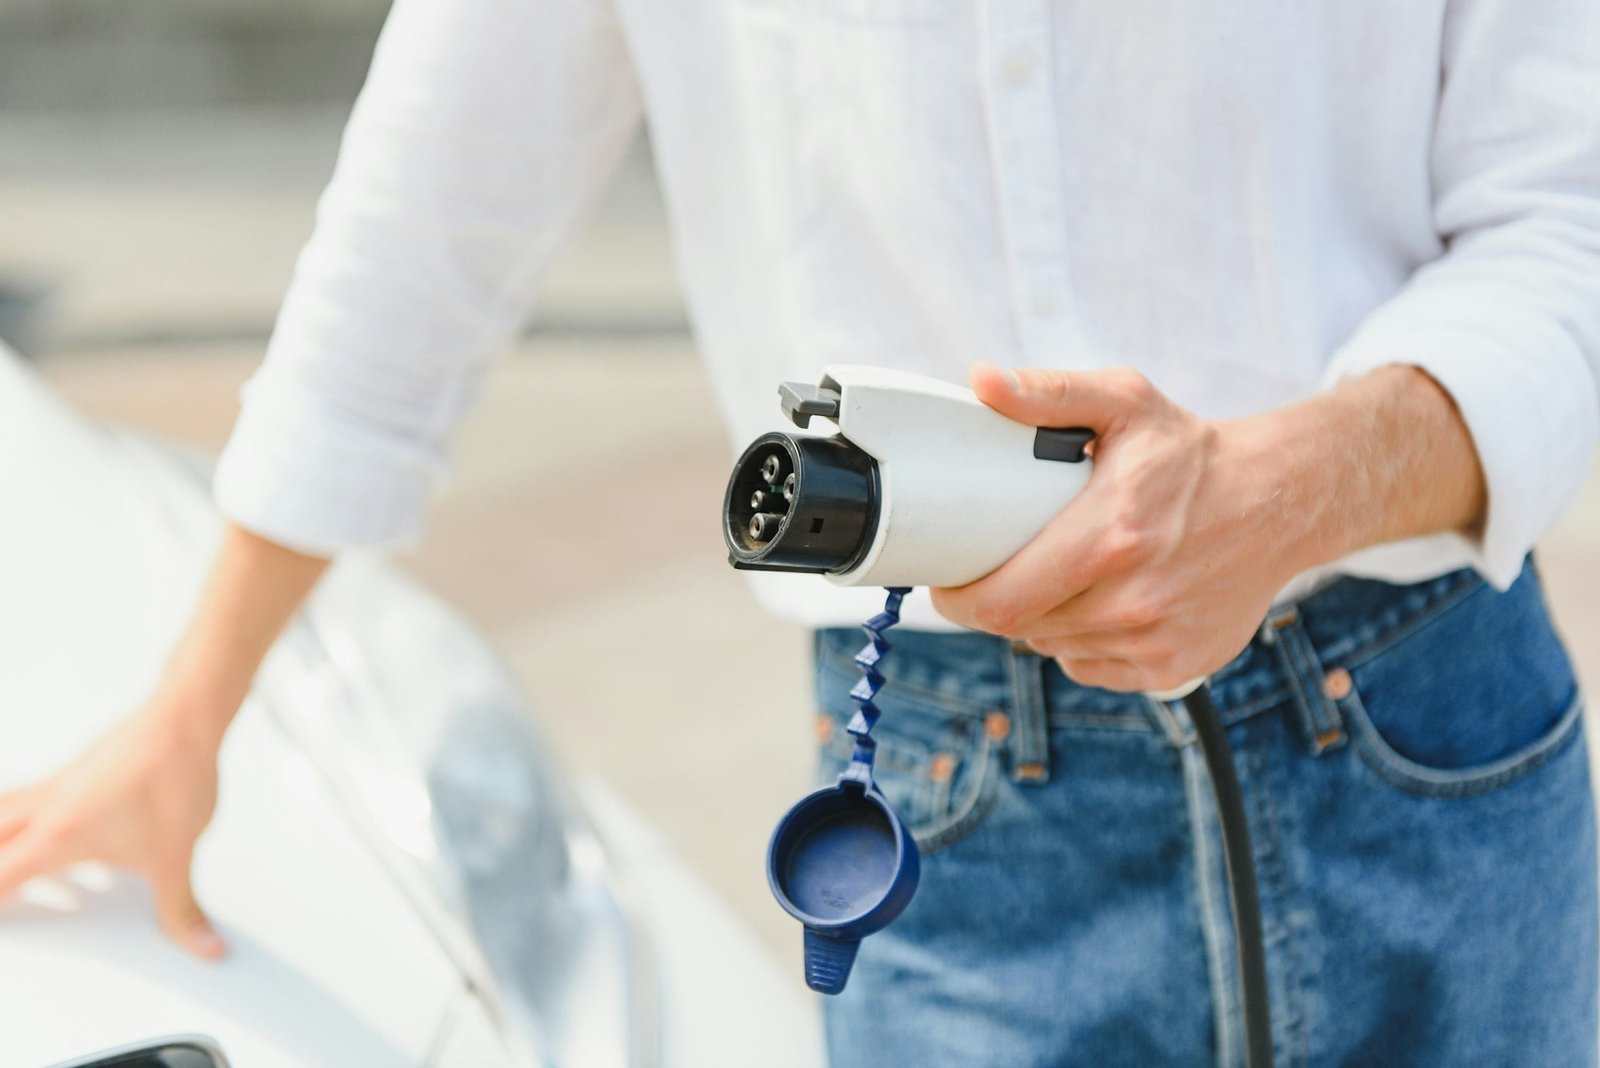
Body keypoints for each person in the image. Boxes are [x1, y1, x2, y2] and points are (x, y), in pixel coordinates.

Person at [4, 2, 1599, 1064]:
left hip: (1428, 740)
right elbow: (422, 230)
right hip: (955, 810)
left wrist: (1293, 487)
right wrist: (191, 707)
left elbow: (1568, 209)